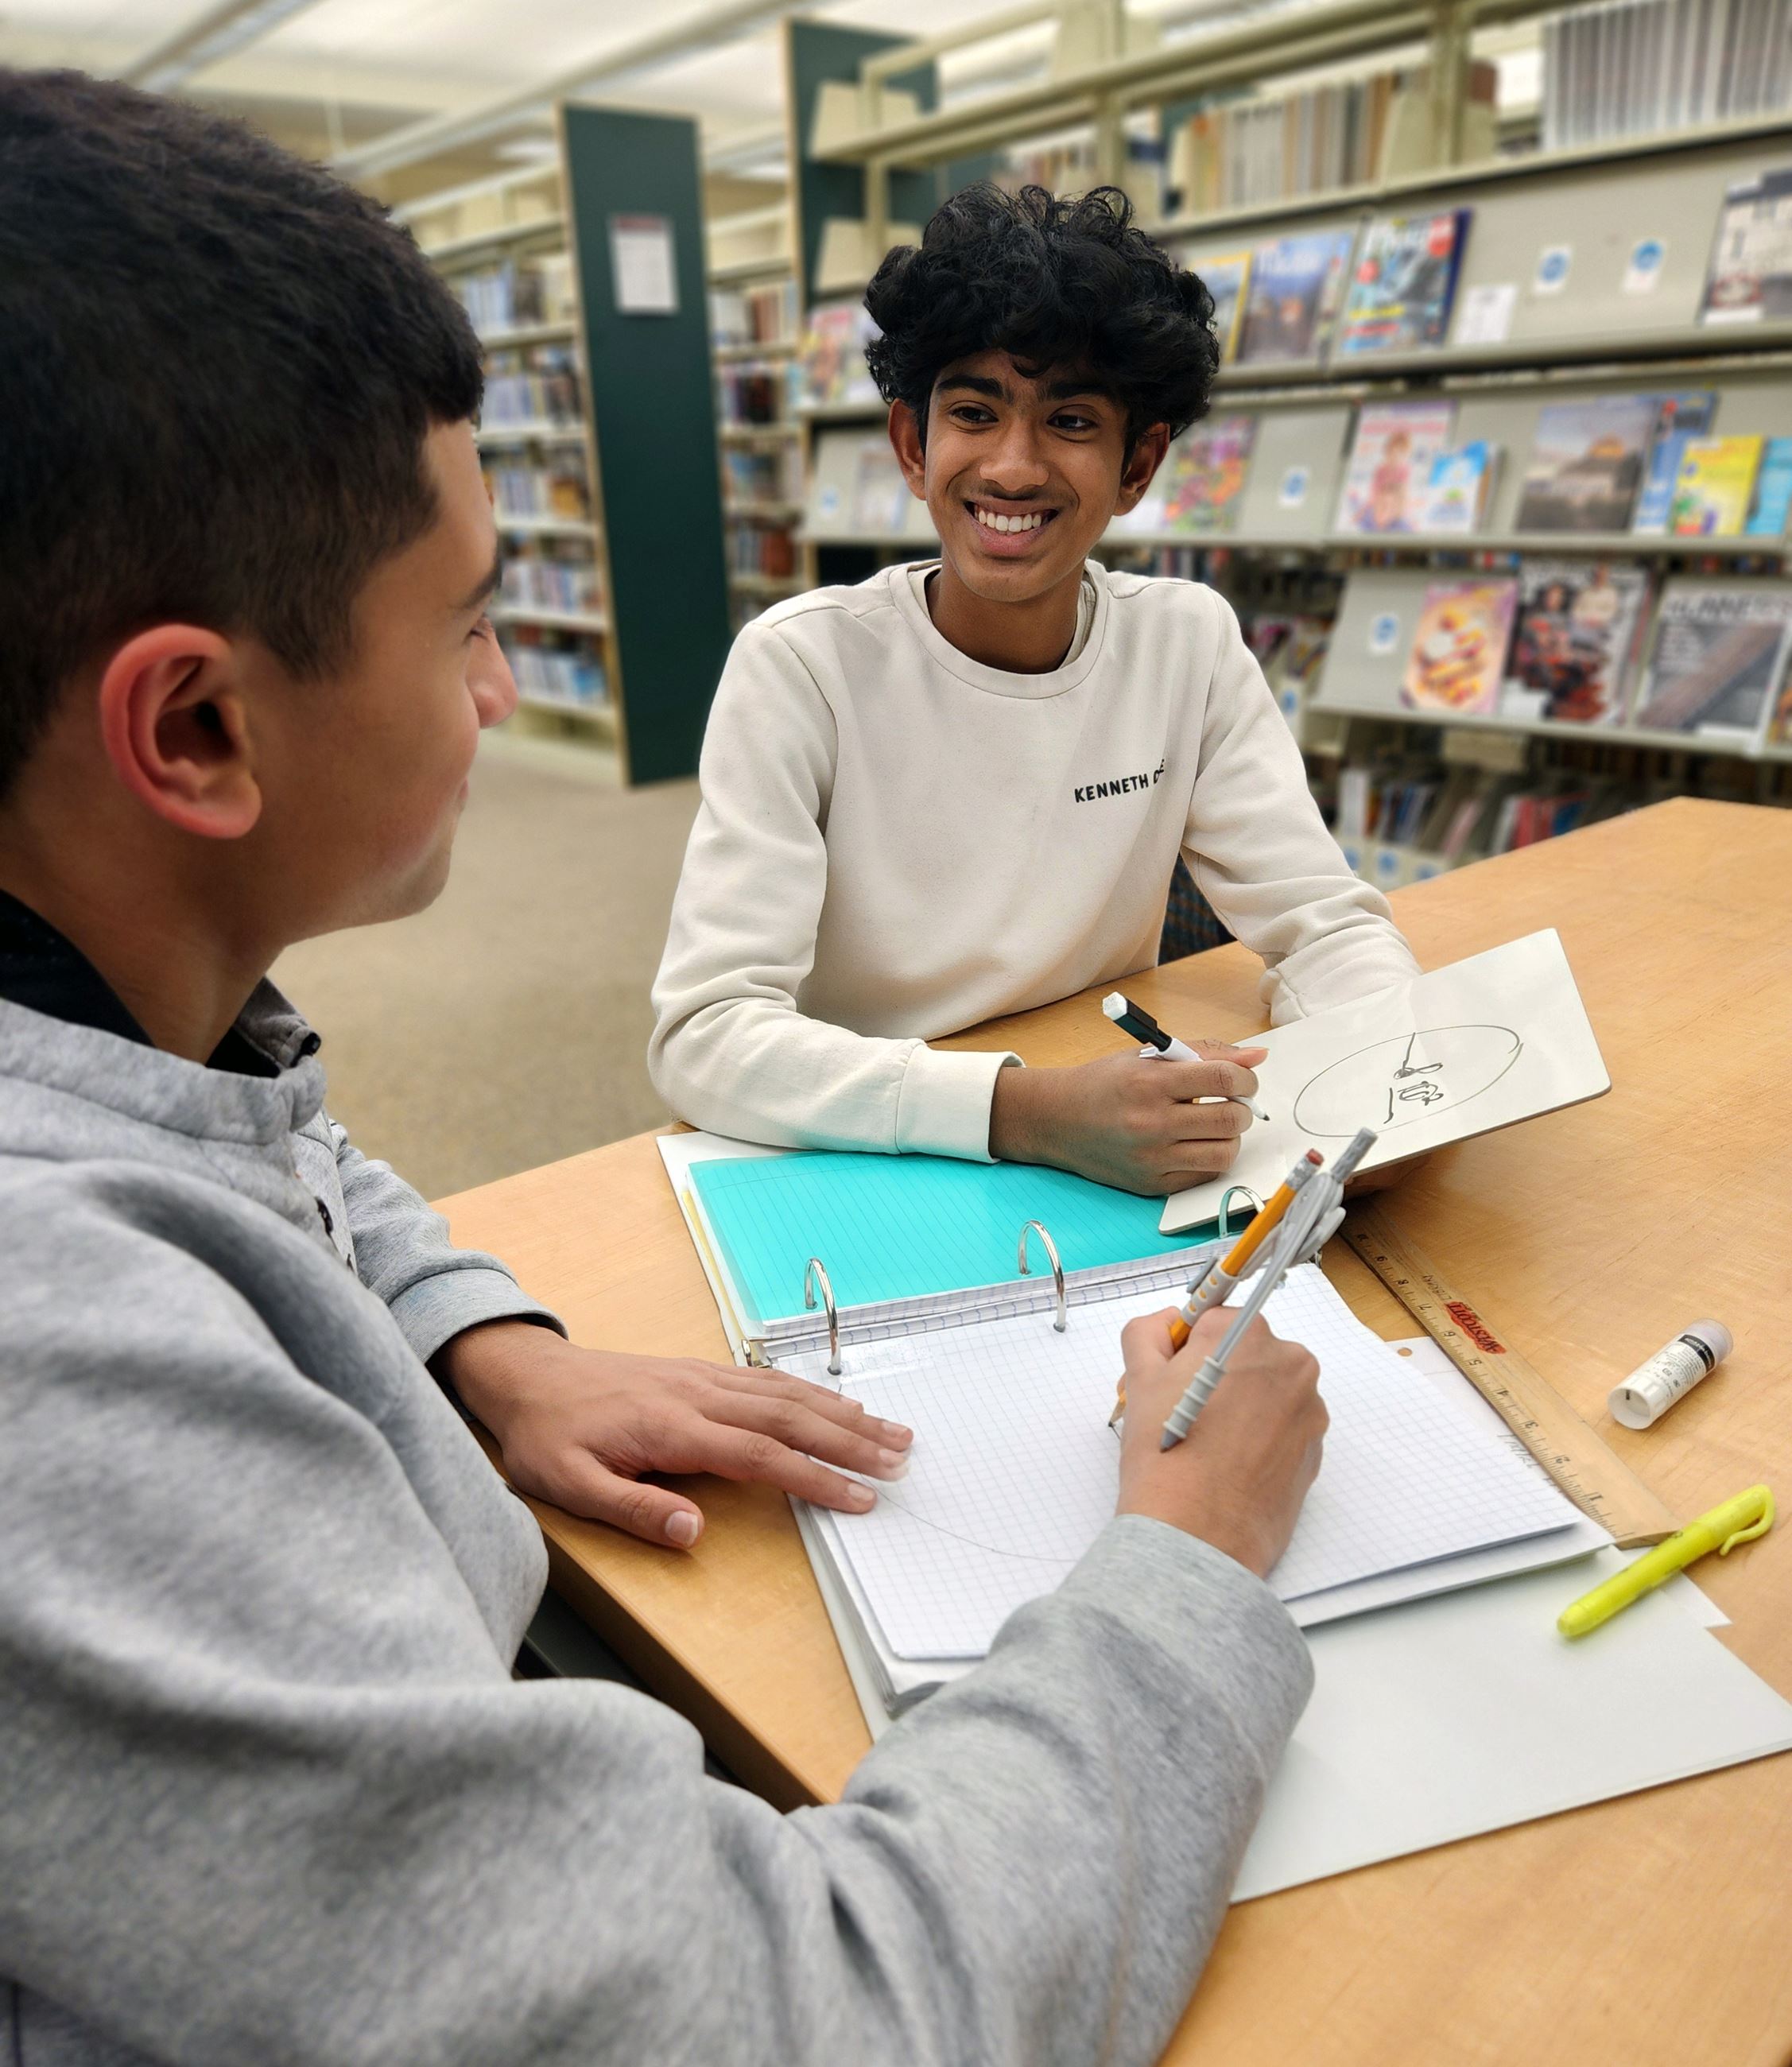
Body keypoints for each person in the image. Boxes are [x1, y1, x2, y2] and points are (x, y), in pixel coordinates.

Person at [0, 72, 1331, 2065]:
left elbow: (267, 1134)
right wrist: (1189, 1560)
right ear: (194, 730)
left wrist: (472, 1339)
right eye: (464, 623)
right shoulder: (72, 1380)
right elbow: (804, 2019)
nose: (507, 687)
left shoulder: (124, 1023)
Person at [650, 183, 1418, 1197]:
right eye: (973, 412)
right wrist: (1024, 1110)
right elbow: (704, 1037)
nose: (1012, 466)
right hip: (874, 1151)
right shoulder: (802, 666)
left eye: (1068, 420)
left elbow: (1327, 923)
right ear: (913, 447)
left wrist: (1396, 1077)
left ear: (1137, 464)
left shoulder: (1185, 643)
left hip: (1111, 1137)